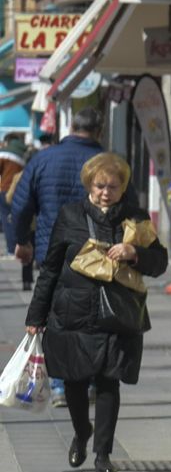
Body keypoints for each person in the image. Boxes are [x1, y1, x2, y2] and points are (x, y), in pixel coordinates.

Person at [25, 153, 168, 472]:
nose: (106, 192)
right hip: (72, 312)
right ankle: (81, 431)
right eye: (100, 185)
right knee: (74, 382)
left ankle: (103, 454)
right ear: (89, 184)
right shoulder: (70, 215)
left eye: (113, 186)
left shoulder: (135, 218)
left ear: (123, 187)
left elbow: (159, 262)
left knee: (108, 383)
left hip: (117, 315)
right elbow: (50, 268)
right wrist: (36, 315)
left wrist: (135, 254)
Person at [12, 109, 105, 407]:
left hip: (52, 249)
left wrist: (21, 241)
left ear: (71, 126)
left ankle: (60, 385)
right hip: (96, 252)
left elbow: (22, 203)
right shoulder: (105, 161)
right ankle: (88, 380)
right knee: (92, 317)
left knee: (55, 317)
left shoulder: (43, 159)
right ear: (99, 129)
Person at [0, 132, 28, 257]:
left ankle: (11, 249)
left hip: (5, 189)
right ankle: (20, 246)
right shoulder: (24, 153)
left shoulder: (4, 153)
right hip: (21, 190)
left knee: (7, 219)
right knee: (19, 219)